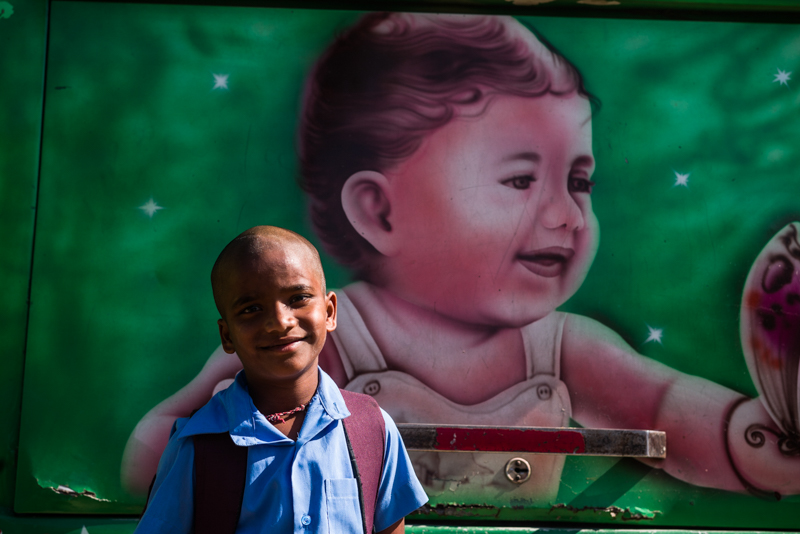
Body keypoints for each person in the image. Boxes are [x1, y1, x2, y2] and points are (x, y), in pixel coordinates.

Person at [123, 13, 800, 503]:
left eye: (580, 181)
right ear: (380, 212)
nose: (567, 213)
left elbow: (662, 404)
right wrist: (202, 465)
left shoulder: (560, 345)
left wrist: (755, 438)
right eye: (520, 180)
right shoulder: (324, 330)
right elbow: (165, 433)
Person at [135, 226, 428, 533]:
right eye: (251, 309)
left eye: (298, 298)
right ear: (227, 335)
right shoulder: (198, 446)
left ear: (329, 312)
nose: (279, 322)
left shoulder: (371, 429)